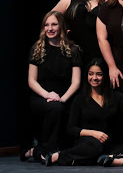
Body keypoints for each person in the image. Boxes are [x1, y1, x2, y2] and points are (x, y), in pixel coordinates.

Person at [43, 58, 123, 166]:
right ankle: (60, 156)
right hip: (87, 142)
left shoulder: (115, 97)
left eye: (99, 74)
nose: (94, 78)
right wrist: (93, 133)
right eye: (91, 74)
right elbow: (71, 128)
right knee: (96, 145)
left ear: (105, 75)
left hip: (108, 144)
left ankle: (82, 159)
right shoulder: (80, 99)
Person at [21, 11, 81, 162]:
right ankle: (47, 151)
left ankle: (36, 151)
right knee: (55, 108)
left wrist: (63, 98)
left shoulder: (73, 50)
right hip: (41, 96)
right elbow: (31, 81)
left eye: (54, 24)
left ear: (61, 27)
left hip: (65, 96)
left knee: (62, 108)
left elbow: (76, 82)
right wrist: (48, 95)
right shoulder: (37, 48)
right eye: (46, 25)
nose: (50, 28)